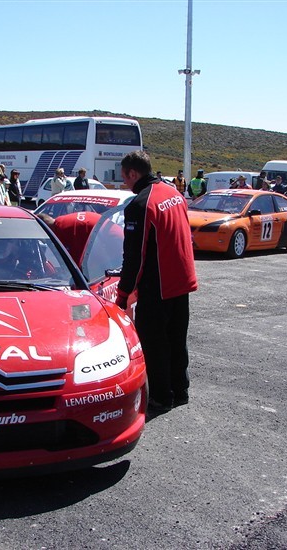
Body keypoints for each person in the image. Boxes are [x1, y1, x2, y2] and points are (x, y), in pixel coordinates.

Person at [115, 151, 198, 413]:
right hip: (181, 279)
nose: (124, 183)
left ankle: (162, 396)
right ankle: (180, 389)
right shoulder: (174, 193)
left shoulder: (139, 204)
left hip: (157, 285)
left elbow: (134, 256)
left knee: (155, 342)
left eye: (124, 178)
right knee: (177, 337)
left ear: (132, 173)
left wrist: (123, 292)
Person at [37, 210, 102, 266]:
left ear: (44, 230)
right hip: (106, 227)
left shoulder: (62, 230)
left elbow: (77, 259)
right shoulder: (62, 220)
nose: (42, 241)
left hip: (106, 236)